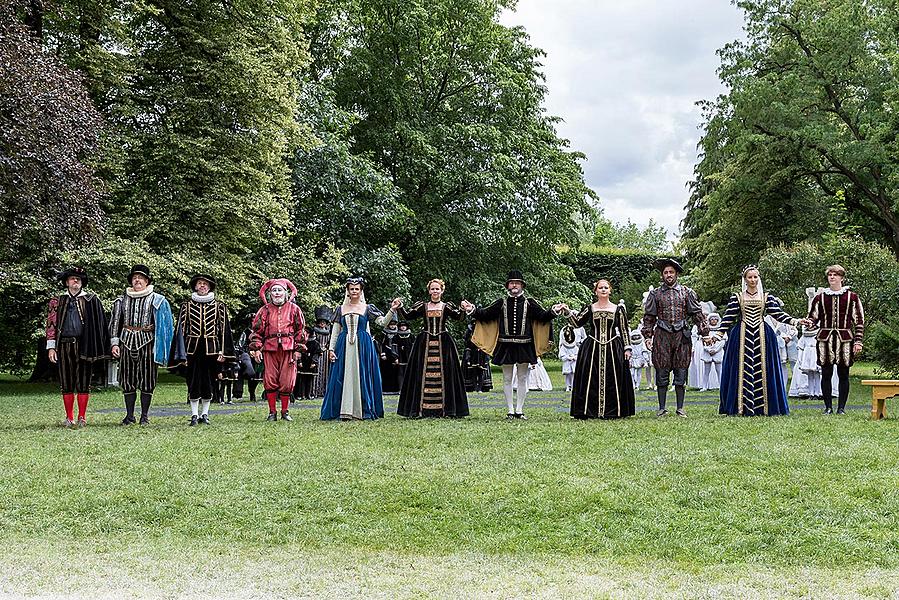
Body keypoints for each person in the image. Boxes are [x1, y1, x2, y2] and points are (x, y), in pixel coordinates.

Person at [461, 270, 564, 420]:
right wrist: (472, 309)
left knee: (522, 378)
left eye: (517, 283)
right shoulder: (501, 302)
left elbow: (543, 316)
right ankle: (510, 410)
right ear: (507, 285)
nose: (514, 285)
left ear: (522, 285)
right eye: (512, 282)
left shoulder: (530, 303)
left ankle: (520, 410)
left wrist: (554, 311)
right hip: (505, 345)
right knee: (507, 378)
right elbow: (485, 314)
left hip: (525, 345)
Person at [711, 266, 806, 416]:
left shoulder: (766, 297)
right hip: (741, 335)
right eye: (750, 277)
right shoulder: (738, 297)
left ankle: (765, 407)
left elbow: (777, 314)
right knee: (740, 369)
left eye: (755, 277)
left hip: (763, 336)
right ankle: (740, 407)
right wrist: (717, 335)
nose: (753, 280)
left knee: (765, 369)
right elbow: (728, 318)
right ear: (745, 279)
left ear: (759, 278)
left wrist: (795, 321)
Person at [321, 277, 397, 420]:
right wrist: (331, 349)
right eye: (352, 289)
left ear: (361, 291)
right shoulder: (341, 309)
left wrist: (392, 310)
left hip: (363, 345)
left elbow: (382, 323)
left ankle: (362, 409)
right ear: (348, 291)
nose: (354, 291)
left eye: (357, 289)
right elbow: (336, 331)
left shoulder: (367, 308)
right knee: (341, 375)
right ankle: (344, 409)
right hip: (343, 345)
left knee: (362, 374)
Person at [641, 259, 708, 417]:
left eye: (671, 272)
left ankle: (680, 407)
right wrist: (648, 336)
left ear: (676, 274)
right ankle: (662, 408)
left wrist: (705, 333)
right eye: (666, 272)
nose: (669, 275)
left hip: (681, 335)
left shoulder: (687, 292)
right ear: (662, 275)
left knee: (681, 370)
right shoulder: (655, 294)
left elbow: (697, 314)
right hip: (662, 335)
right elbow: (649, 317)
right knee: (661, 371)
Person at [108, 265, 174, 425]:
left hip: (148, 343)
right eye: (135, 277)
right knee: (127, 379)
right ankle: (129, 415)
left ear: (147, 281)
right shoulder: (121, 300)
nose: (137, 280)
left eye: (141, 278)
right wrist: (114, 343)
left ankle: (144, 416)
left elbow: (165, 324)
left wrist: (154, 328)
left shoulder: (157, 300)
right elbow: (115, 323)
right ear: (131, 281)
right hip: (125, 342)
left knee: (148, 379)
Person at [45, 266, 110, 427]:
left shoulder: (91, 300)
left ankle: (82, 417)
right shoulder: (57, 301)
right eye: (73, 278)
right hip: (64, 346)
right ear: (66, 282)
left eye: (79, 279)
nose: (76, 281)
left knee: (83, 381)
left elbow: (100, 326)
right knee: (66, 381)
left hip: (84, 345)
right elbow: (51, 325)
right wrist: (51, 347)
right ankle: (69, 417)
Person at [395, 279, 469, 418]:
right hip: (424, 344)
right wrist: (399, 307)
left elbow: (459, 318)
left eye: (437, 289)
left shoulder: (446, 307)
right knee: (420, 373)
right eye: (433, 289)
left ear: (442, 291)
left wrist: (463, 309)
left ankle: (447, 410)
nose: (435, 291)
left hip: (444, 344)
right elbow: (408, 316)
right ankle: (420, 410)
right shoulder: (423, 306)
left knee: (447, 374)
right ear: (429, 291)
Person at [170, 274, 235, 426]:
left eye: (205, 284)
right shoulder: (186, 305)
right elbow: (180, 330)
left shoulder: (219, 306)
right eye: (200, 283)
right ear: (195, 286)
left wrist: (223, 352)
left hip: (212, 350)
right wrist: (182, 354)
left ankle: (205, 414)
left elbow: (224, 330)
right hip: (192, 351)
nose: (202, 286)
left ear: (210, 287)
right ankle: (194, 414)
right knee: (193, 382)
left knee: (209, 381)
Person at [567, 279, 635, 419]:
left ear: (610, 290)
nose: (603, 290)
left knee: (614, 378)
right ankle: (588, 410)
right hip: (592, 347)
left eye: (606, 287)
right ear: (596, 291)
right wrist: (567, 312)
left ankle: (614, 411)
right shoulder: (590, 308)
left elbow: (623, 330)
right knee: (590, 379)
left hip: (613, 347)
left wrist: (627, 348)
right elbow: (577, 323)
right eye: (600, 288)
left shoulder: (618, 309)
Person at [807, 265, 865, 415]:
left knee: (843, 374)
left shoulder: (852, 297)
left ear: (842, 278)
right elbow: (813, 317)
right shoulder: (820, 297)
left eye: (835, 275)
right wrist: (808, 323)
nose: (832, 277)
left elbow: (858, 320)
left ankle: (841, 408)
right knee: (825, 373)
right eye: (830, 275)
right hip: (824, 340)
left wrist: (858, 341)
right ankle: (828, 407)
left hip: (845, 340)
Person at [249, 279, 306, 422]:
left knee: (287, 380)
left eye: (280, 290)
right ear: (270, 294)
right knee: (270, 379)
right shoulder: (264, 310)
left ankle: (285, 411)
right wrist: (256, 349)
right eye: (274, 290)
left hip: (289, 349)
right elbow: (257, 331)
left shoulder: (294, 309)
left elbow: (300, 329)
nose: (277, 293)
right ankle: (272, 412)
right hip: (270, 349)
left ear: (286, 293)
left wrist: (298, 348)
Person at [462, 322, 493, 392]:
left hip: (482, 352)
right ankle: (472, 386)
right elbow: (466, 340)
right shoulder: (469, 329)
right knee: (472, 370)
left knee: (481, 371)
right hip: (471, 352)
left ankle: (482, 387)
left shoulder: (483, 328)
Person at [294, 325, 322, 401]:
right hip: (303, 363)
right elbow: (298, 351)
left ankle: (308, 394)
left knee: (309, 380)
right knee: (301, 380)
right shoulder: (301, 342)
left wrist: (314, 362)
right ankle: (301, 394)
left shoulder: (315, 343)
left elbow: (317, 353)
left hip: (311, 364)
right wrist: (299, 361)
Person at [310, 306, 333, 398]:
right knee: (316, 371)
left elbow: (330, 341)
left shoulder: (329, 332)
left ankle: (323, 391)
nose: (322, 323)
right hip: (317, 353)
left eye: (324, 322)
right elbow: (314, 342)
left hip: (326, 353)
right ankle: (314, 391)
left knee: (325, 372)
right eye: (321, 322)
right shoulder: (315, 331)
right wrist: (319, 348)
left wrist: (327, 347)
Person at [699, 313, 725, 391]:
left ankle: (721, 386)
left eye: (715, 319)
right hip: (708, 353)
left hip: (718, 352)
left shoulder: (721, 330)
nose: (713, 321)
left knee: (719, 371)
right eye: (712, 319)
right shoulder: (706, 330)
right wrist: (708, 349)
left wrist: (716, 350)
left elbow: (722, 342)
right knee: (706, 371)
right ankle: (704, 386)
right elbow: (703, 341)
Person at [377, 317, 401, 394]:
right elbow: (380, 343)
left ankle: (395, 389)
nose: (392, 326)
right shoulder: (384, 333)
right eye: (391, 325)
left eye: (394, 325)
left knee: (395, 372)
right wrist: (382, 353)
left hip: (396, 354)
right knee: (385, 371)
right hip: (386, 354)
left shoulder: (399, 333)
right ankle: (385, 389)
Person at [558, 324, 584, 392]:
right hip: (567, 361)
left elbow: (578, 353)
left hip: (573, 361)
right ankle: (567, 386)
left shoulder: (575, 347)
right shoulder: (563, 346)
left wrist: (575, 357)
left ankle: (572, 386)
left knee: (573, 374)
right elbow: (562, 354)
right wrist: (567, 357)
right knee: (567, 374)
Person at [395, 321, 415, 391]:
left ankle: (410, 389)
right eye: (401, 326)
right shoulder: (396, 336)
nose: (403, 327)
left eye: (404, 326)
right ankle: (401, 389)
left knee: (410, 373)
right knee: (400, 373)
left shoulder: (411, 336)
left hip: (409, 357)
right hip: (400, 357)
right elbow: (394, 348)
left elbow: (414, 347)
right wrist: (396, 357)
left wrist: (413, 357)